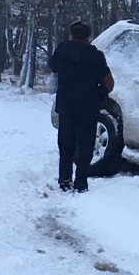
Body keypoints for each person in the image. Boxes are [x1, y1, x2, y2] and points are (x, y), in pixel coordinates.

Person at [49, 21, 114, 193]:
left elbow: (52, 67)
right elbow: (109, 83)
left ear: (71, 34)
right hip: (88, 107)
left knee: (65, 144)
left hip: (66, 106)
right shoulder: (96, 56)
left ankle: (64, 180)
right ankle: (81, 183)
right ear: (89, 37)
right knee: (86, 147)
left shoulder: (61, 51)